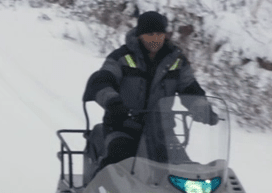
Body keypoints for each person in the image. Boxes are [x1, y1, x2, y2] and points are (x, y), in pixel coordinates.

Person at [82, 10, 211, 171]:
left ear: (166, 35)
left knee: (184, 170)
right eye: (150, 34)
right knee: (117, 167)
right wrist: (113, 102)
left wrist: (201, 107)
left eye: (159, 33)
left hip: (161, 131)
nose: (155, 38)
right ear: (139, 35)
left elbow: (190, 88)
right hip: (123, 127)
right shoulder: (121, 57)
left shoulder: (176, 61)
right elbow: (102, 81)